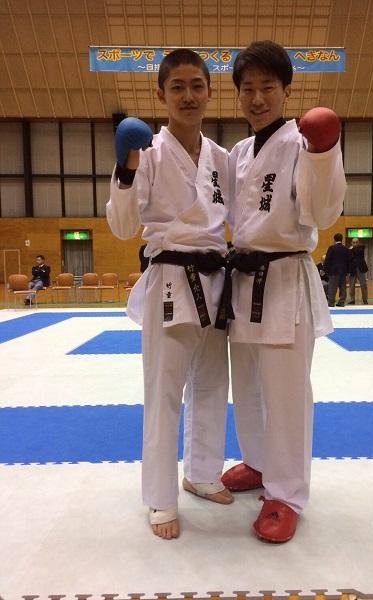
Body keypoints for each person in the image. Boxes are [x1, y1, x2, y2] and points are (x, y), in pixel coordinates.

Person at [219, 40, 346, 543]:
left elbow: (321, 213)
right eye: (247, 89)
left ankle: (287, 494)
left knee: (287, 394)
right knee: (247, 386)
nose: (257, 98)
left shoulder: (302, 142)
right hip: (243, 280)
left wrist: (325, 151)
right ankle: (258, 461)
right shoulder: (239, 153)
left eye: (267, 88)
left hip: (285, 279)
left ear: (287, 91)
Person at [106, 49, 233, 541]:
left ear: (209, 92)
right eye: (177, 87)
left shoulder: (221, 158)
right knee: (163, 392)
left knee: (212, 386)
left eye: (196, 85)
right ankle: (160, 496)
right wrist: (126, 167)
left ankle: (202, 473)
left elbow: (239, 221)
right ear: (161, 95)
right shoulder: (148, 152)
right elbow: (122, 227)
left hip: (216, 281)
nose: (188, 95)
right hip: (170, 281)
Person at [323, 233, 351, 307]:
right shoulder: (346, 249)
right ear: (342, 239)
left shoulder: (332, 248)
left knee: (332, 287)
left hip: (333, 270)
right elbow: (348, 261)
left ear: (334, 239)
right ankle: (341, 302)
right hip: (343, 271)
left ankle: (331, 302)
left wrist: (324, 269)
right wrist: (348, 271)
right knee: (343, 287)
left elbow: (328, 259)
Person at [347, 237, 369, 305]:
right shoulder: (349, 250)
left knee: (363, 284)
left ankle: (365, 299)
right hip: (352, 268)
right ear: (351, 243)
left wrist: (351, 249)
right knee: (352, 285)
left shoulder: (361, 247)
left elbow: (358, 252)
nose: (355, 244)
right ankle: (352, 299)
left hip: (360, 268)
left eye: (356, 242)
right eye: (354, 243)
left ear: (359, 243)